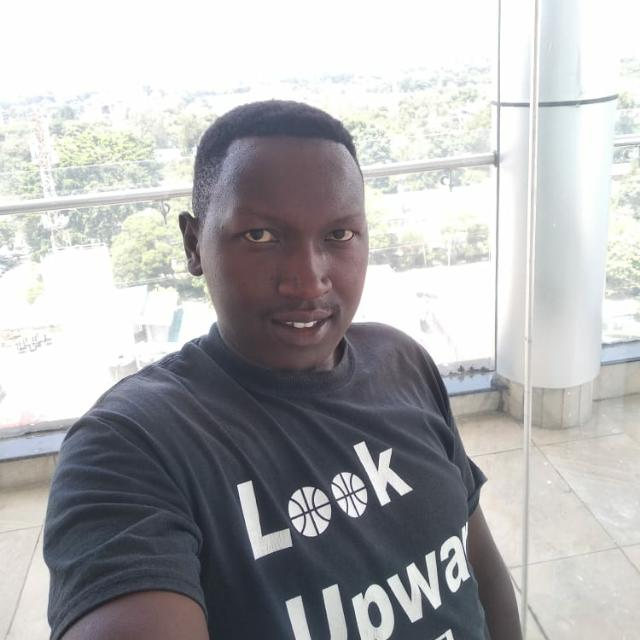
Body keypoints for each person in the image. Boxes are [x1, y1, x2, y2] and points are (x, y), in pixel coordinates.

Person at [44, 100, 522, 640]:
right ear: (194, 244)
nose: (308, 280)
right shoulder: (130, 446)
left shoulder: (403, 362)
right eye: (261, 236)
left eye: (339, 235)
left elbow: (476, 561)